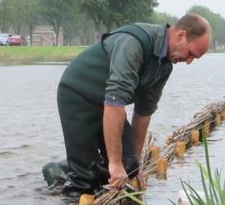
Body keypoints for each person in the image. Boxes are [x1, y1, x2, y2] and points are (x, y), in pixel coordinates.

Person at [53, 14, 211, 195]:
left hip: (106, 103)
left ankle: (93, 170)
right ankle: (61, 175)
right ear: (181, 35)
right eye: (190, 54)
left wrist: (135, 165)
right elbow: (115, 103)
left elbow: (144, 113)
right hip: (77, 94)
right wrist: (114, 163)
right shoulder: (133, 44)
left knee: (129, 166)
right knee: (85, 180)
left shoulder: (165, 66)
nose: (189, 61)